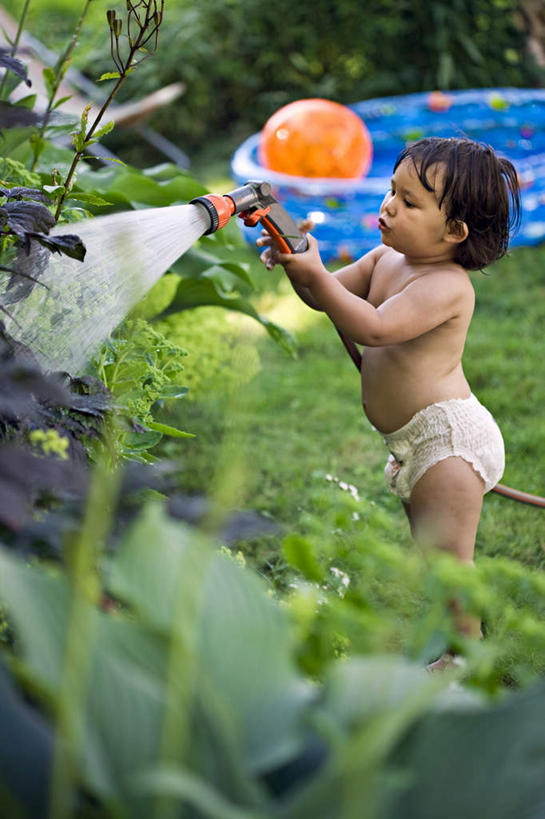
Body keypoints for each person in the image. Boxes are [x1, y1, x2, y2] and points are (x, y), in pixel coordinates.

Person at [257, 136, 521, 671]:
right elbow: (327, 296)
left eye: (409, 201)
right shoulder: (386, 258)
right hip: (413, 441)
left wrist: (315, 277)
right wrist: (297, 261)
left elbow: (374, 328)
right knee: (434, 558)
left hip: (447, 443)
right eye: (390, 190)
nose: (388, 206)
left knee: (451, 567)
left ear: (454, 232)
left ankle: (467, 664)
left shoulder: (447, 286)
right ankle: (457, 650)